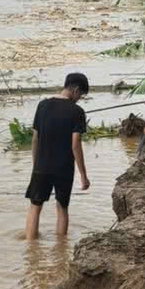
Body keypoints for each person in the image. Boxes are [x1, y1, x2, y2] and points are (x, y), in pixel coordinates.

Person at [24, 72, 91, 239]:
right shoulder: (77, 112)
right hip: (64, 169)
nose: (79, 99)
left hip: (42, 166)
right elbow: (75, 145)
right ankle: (61, 252)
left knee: (35, 207)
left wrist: (36, 165)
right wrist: (83, 175)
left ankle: (31, 252)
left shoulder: (43, 106)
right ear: (75, 89)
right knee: (62, 209)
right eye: (80, 95)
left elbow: (35, 139)